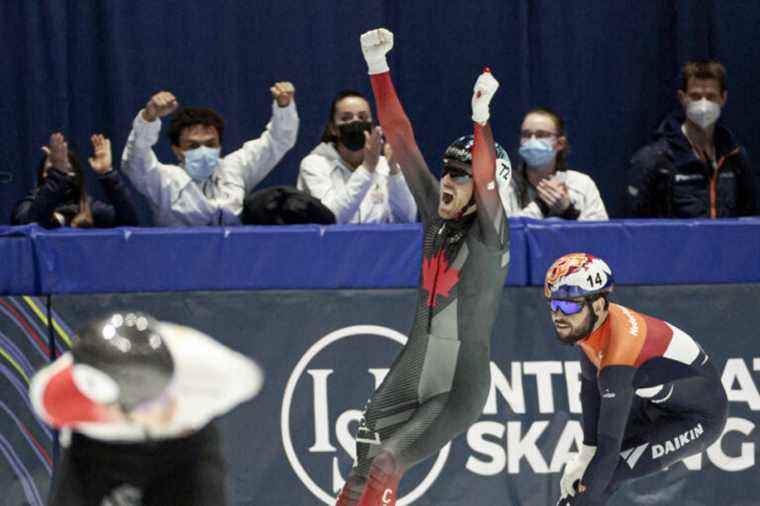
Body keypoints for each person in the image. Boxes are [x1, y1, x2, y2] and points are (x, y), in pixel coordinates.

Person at [334, 29, 512, 506]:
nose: (448, 181)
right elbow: (400, 138)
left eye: (460, 175)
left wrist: (480, 119)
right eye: (446, 170)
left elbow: (486, 177)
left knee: (390, 462)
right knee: (367, 452)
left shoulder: (490, 234)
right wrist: (377, 67)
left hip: (460, 384)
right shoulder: (436, 210)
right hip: (417, 362)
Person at [544, 253, 727, 505]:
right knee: (591, 477)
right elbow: (590, 390)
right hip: (654, 401)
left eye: (568, 305)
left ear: (597, 305)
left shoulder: (619, 356)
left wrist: (586, 479)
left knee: (604, 475)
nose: (558, 315)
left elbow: (607, 454)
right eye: (553, 304)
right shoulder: (593, 326)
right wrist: (585, 453)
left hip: (698, 419)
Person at [29, 311, 263, 505]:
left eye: (153, 401)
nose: (144, 414)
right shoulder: (62, 393)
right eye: (134, 408)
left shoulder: (206, 367)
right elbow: (45, 406)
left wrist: (182, 412)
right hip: (99, 453)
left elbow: (250, 381)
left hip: (183, 450)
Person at [121, 83, 299, 226]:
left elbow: (277, 141)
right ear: (176, 150)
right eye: (193, 146)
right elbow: (135, 160)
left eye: (210, 144)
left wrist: (284, 107)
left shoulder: (233, 168)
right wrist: (148, 119)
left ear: (220, 145)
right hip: (180, 260)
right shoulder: (164, 181)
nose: (203, 152)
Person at [628, 60, 755, 218]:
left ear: (723, 99)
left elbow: (748, 222)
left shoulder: (735, 157)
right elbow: (637, 231)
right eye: (695, 96)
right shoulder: (655, 160)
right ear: (682, 98)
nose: (703, 104)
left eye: (711, 97)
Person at [297, 89, 416, 223]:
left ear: (371, 125)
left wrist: (394, 171)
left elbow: (407, 219)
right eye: (346, 118)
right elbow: (331, 218)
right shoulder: (314, 165)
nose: (356, 123)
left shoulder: (385, 165)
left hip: (379, 243)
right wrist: (367, 168)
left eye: (363, 117)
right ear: (333, 129)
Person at [12, 133, 138, 228]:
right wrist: (58, 175)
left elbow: (129, 222)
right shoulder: (28, 204)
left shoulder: (86, 206)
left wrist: (108, 173)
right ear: (43, 175)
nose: (64, 175)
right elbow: (31, 225)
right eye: (55, 170)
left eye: (68, 171)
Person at [503, 108, 608, 220]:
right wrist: (541, 206)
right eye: (526, 135)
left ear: (559, 143)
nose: (532, 141)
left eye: (541, 135)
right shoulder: (503, 185)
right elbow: (503, 234)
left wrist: (569, 212)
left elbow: (601, 233)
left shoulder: (582, 184)